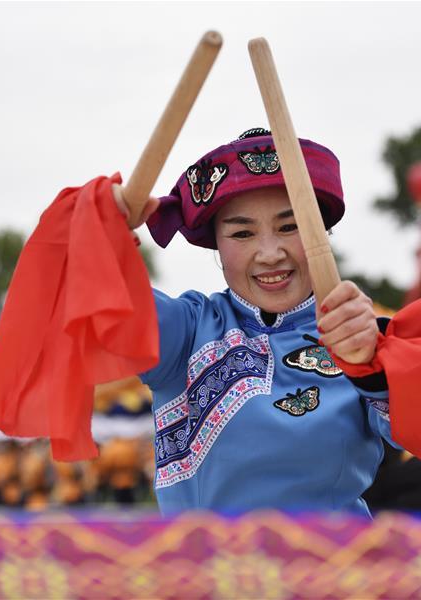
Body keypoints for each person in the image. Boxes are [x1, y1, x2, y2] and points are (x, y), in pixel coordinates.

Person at [112, 128, 398, 517]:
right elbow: (94, 297)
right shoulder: (188, 331)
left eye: (290, 226)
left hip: (335, 569)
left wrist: (373, 368)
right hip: (205, 572)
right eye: (243, 233)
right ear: (217, 244)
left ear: (323, 233)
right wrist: (102, 230)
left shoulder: (365, 336)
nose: (269, 253)